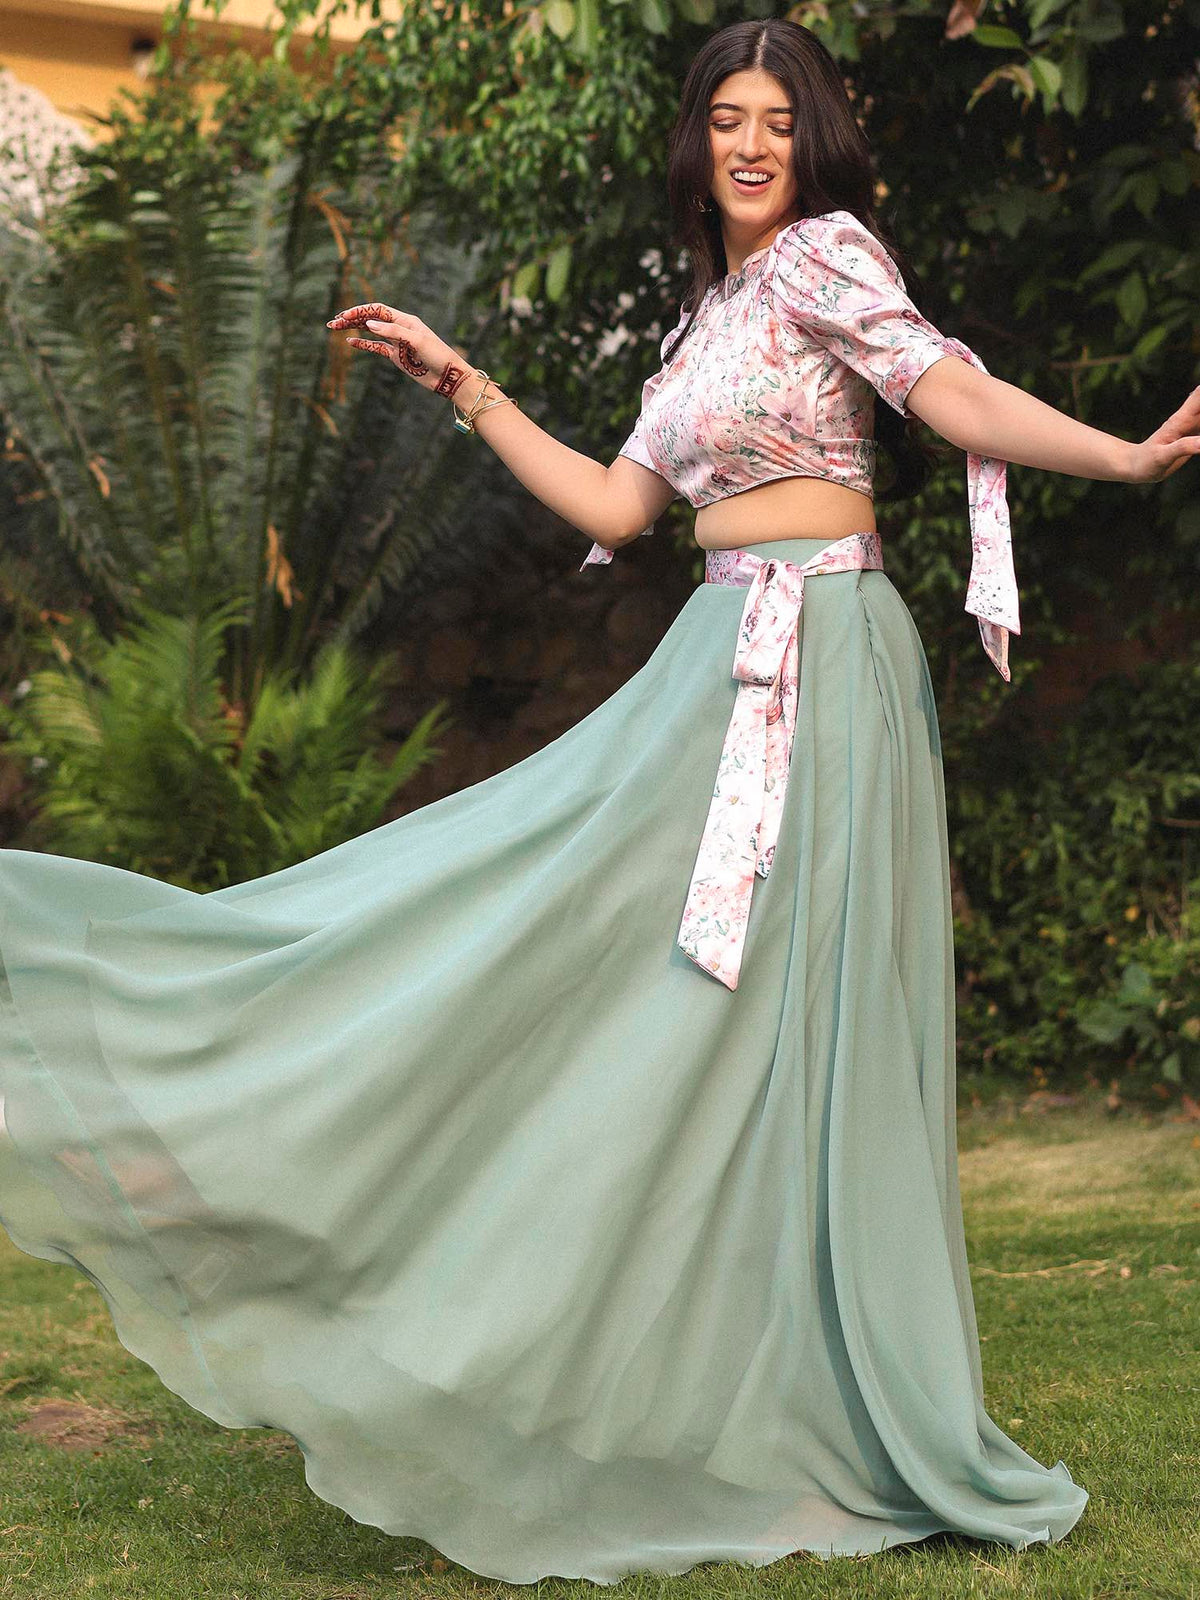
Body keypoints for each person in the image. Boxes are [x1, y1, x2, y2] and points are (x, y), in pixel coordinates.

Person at [2, 15, 1198, 1587]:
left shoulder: (830, 256)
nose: (754, 143)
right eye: (729, 118)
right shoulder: (702, 322)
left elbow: (949, 400)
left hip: (823, 657)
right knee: (570, 935)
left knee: (795, 1022)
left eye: (780, 119)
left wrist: (1121, 459)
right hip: (716, 660)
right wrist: (461, 379)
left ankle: (836, 1403)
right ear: (697, 142)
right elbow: (621, 503)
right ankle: (613, 1349)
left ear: (814, 140)